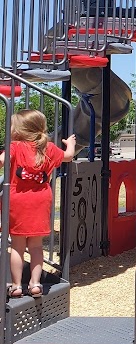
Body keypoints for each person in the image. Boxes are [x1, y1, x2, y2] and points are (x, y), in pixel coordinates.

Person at [0, 110, 76, 299]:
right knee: (35, 245)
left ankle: (17, 286)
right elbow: (68, 156)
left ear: (18, 129)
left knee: (17, 245)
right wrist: (71, 144)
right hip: (40, 201)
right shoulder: (48, 148)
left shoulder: (15, 147)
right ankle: (35, 284)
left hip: (17, 201)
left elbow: (2, 161)